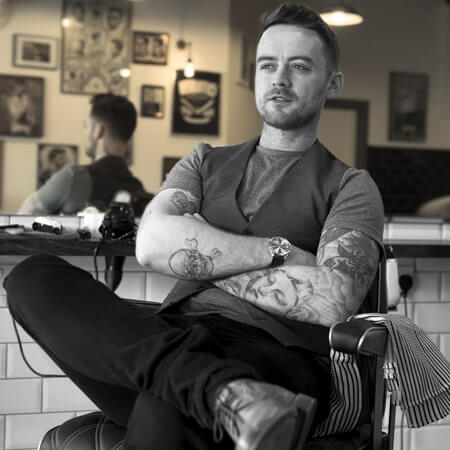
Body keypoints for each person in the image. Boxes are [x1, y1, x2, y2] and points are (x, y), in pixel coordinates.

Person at [6, 4, 384, 450]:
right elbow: (151, 244)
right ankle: (226, 395)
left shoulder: (351, 186)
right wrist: (280, 252)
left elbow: (331, 301)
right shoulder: (204, 162)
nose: (279, 78)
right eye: (268, 65)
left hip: (274, 353)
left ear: (332, 84)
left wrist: (198, 247)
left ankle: (218, 389)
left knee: (169, 396)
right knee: (33, 278)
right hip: (172, 333)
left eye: (299, 66)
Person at [18, 93, 145, 215]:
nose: (85, 133)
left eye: (87, 126)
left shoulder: (74, 177)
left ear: (98, 130)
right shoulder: (139, 190)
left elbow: (22, 220)